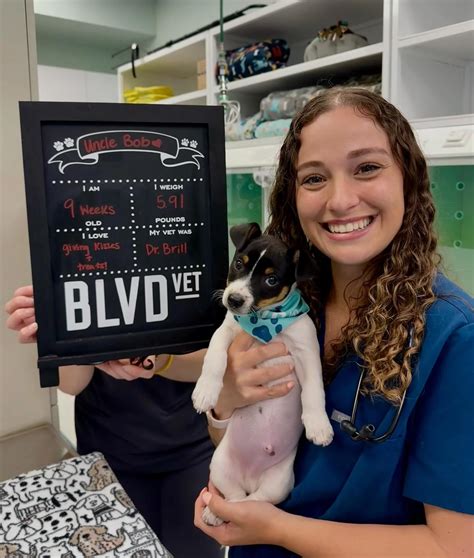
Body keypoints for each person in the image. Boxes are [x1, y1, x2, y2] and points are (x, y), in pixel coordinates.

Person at [192, 87, 474, 557]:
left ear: (408, 178)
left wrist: (277, 529)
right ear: (292, 194)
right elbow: (243, 436)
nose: (340, 200)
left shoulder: (455, 339)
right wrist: (225, 403)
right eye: (314, 177)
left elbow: (455, 548)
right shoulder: (282, 303)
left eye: (366, 168)